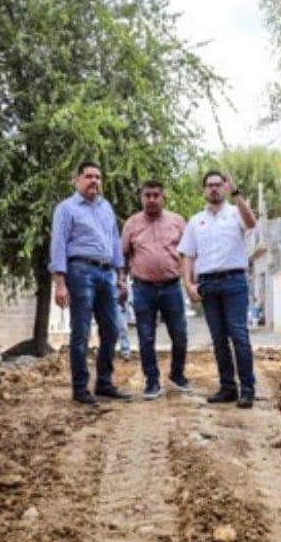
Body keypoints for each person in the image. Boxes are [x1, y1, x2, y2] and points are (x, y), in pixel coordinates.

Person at [49, 161, 132, 405]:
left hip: (107, 274)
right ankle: (80, 388)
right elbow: (58, 245)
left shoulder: (106, 207)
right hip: (80, 271)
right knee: (81, 331)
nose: (94, 181)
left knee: (112, 329)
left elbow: (116, 243)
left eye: (98, 176)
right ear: (76, 180)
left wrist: (120, 276)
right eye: (88, 176)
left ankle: (104, 383)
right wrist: (60, 283)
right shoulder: (66, 208)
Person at [179, 170, 258, 409]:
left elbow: (252, 223)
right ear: (204, 190)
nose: (214, 188)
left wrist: (237, 193)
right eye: (209, 185)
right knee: (218, 339)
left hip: (234, 282)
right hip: (208, 285)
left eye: (218, 185)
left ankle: (247, 389)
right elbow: (187, 255)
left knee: (239, 336)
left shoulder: (236, 213)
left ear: (225, 188)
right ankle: (227, 388)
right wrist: (188, 284)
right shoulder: (195, 221)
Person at [122, 180, 192, 399]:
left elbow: (189, 254)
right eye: (147, 195)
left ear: (163, 197)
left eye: (156, 195)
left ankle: (177, 374)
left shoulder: (178, 221)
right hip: (143, 289)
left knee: (179, 335)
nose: (151, 199)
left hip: (172, 288)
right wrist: (120, 282)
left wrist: (192, 282)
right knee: (145, 337)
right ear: (141, 198)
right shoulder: (131, 224)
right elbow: (122, 255)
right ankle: (151, 381)